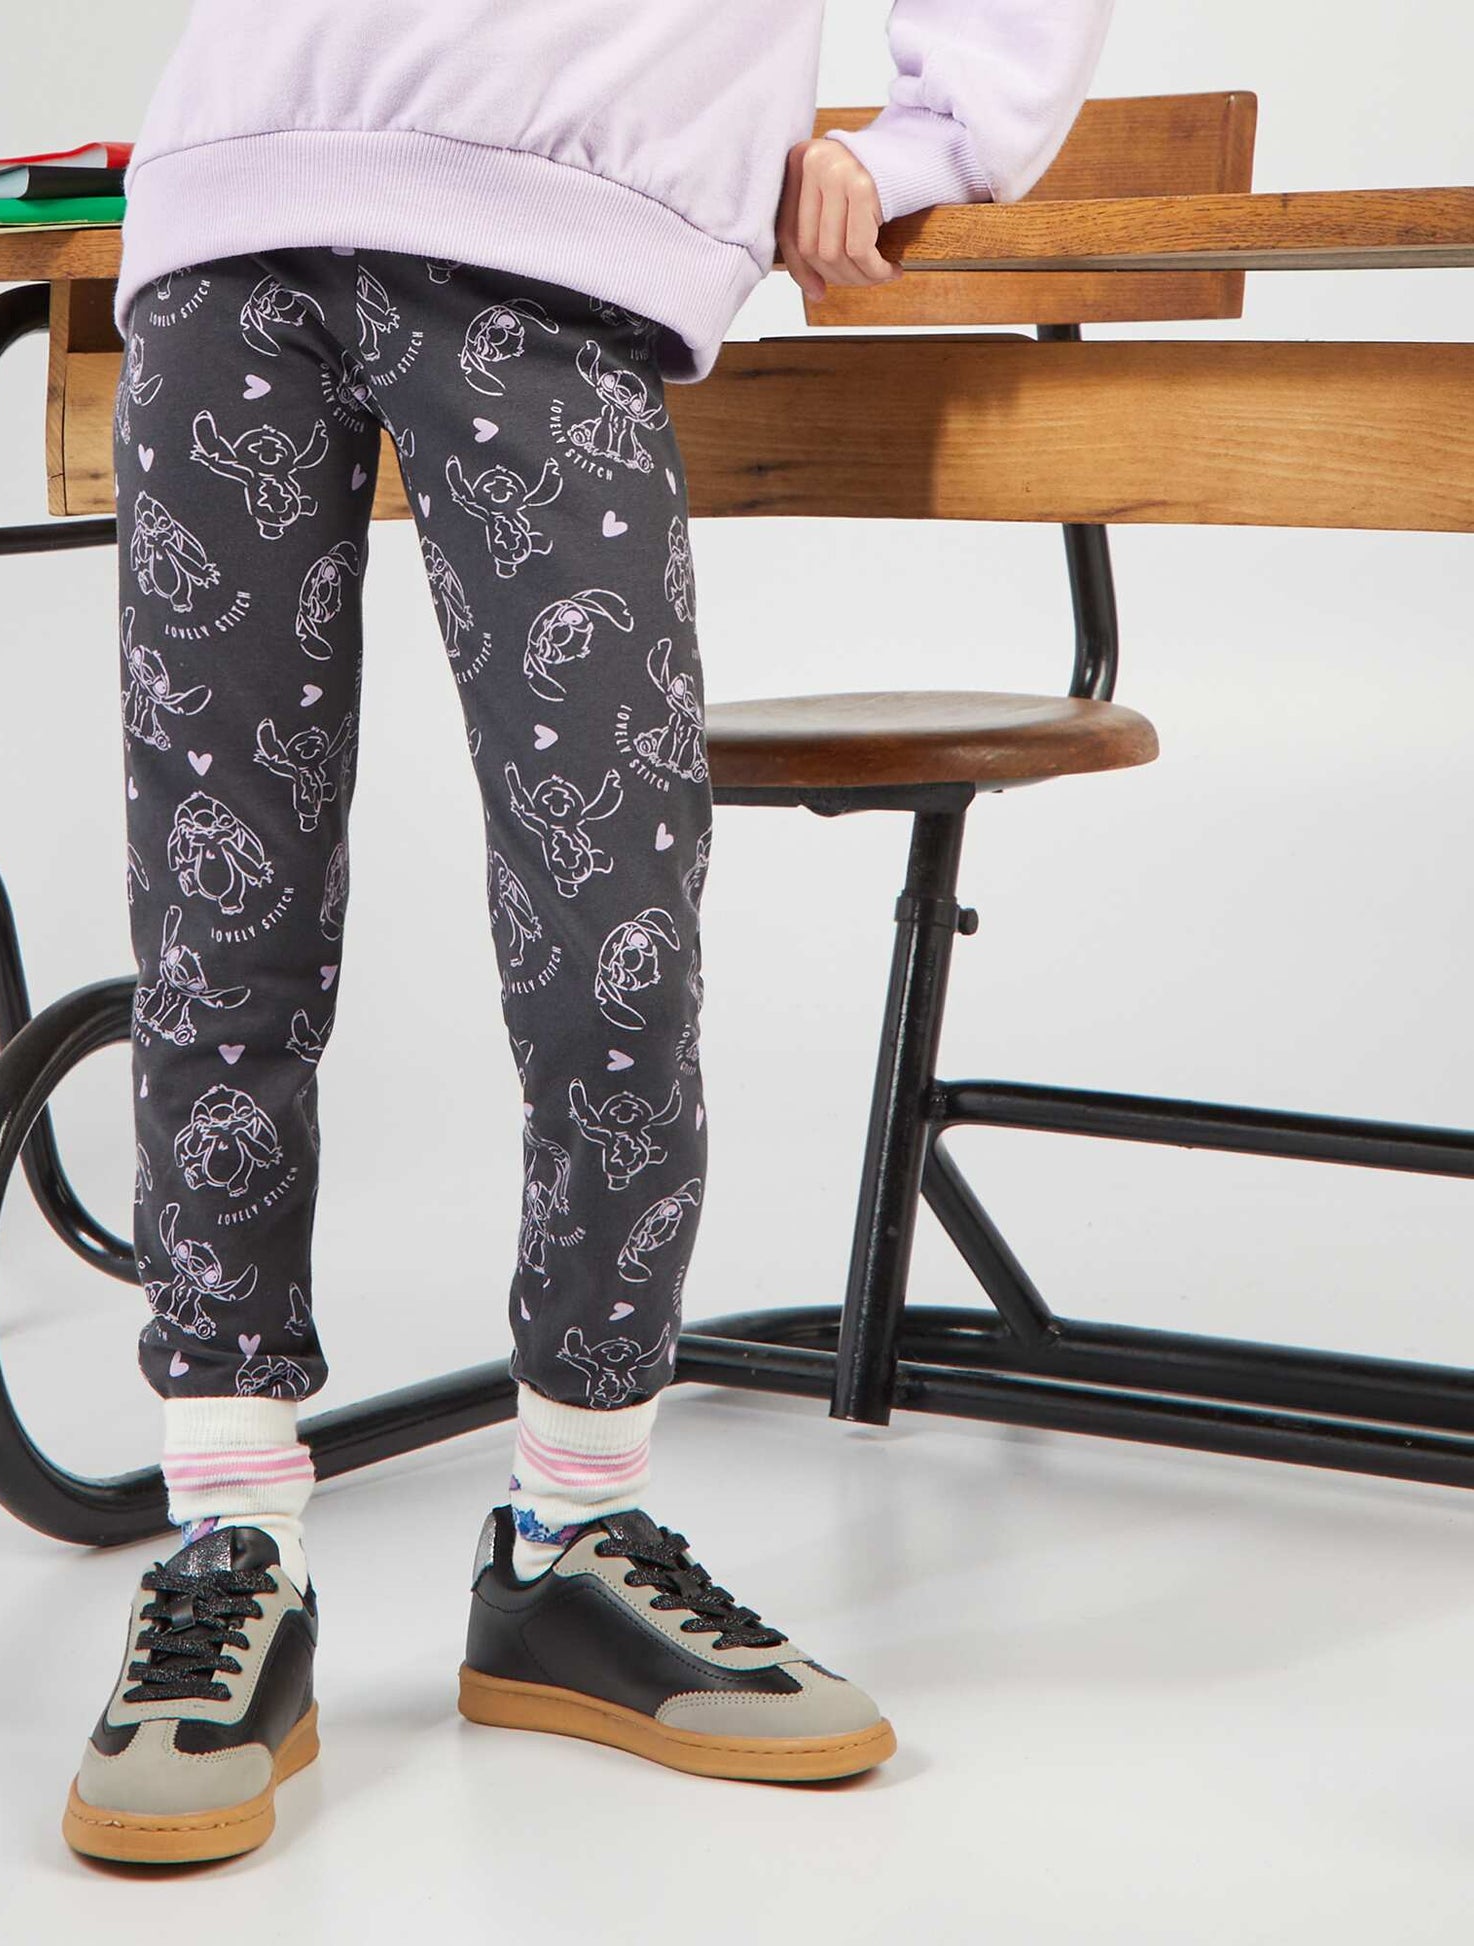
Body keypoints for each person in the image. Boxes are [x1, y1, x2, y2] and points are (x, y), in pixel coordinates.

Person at [64, 0, 1116, 1864]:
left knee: (608, 938)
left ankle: (571, 1529)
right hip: (231, 206)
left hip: (557, 242)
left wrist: (928, 142)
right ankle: (226, 1535)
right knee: (222, 930)